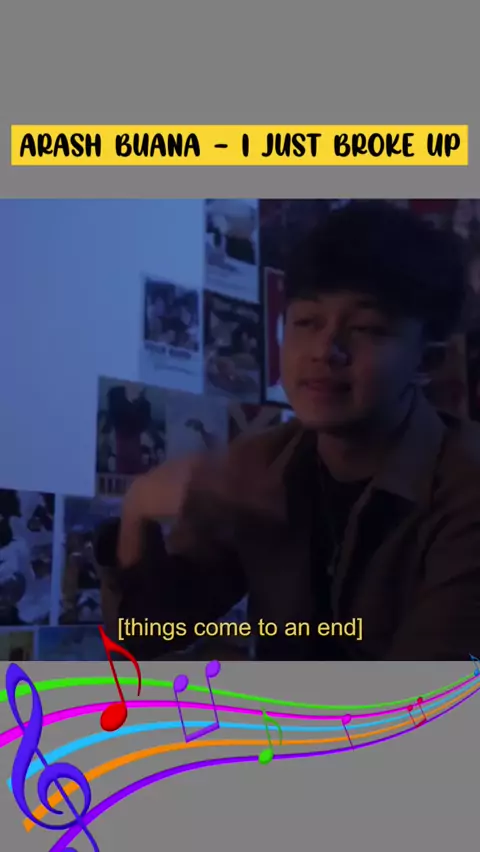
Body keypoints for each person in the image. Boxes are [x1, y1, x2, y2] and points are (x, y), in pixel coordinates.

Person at [96, 201, 480, 661]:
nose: (324, 350)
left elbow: (430, 697)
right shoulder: (261, 466)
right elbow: (144, 637)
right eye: (306, 322)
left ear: (428, 360)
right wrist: (138, 507)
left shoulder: (465, 486)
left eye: (366, 328)